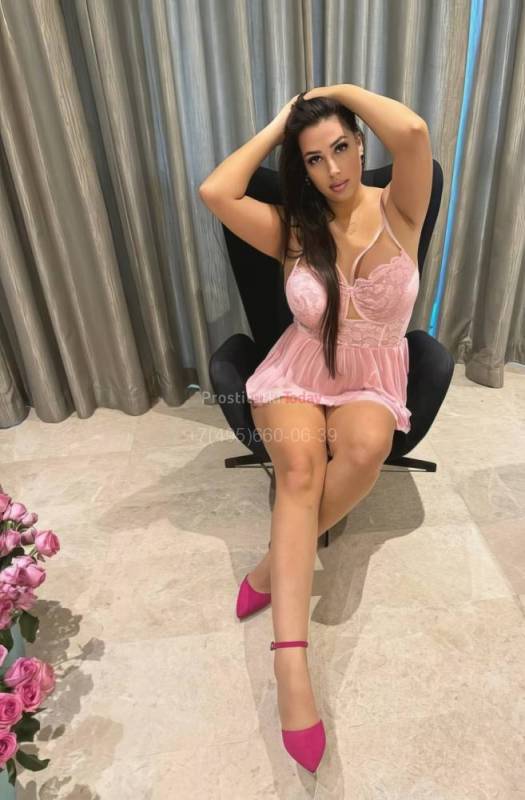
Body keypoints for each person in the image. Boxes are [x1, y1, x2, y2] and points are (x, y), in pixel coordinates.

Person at [199, 84, 432, 773]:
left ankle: (273, 566)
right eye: (313, 158)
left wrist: (333, 94)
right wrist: (281, 123)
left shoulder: (401, 206)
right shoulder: (294, 230)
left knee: (366, 448)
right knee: (299, 471)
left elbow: (413, 133)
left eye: (341, 147)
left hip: (371, 372)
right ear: (299, 167)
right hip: (298, 368)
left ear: (359, 144)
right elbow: (215, 191)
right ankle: (290, 666)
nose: (332, 168)